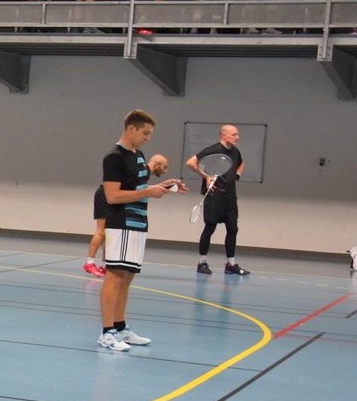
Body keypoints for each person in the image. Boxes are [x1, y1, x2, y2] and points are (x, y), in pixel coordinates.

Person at [98, 110, 186, 352]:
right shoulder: (114, 157)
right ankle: (106, 333)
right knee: (115, 275)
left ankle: (120, 328)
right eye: (145, 133)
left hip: (139, 223)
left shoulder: (139, 156)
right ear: (131, 129)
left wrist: (165, 186)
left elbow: (139, 186)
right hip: (121, 223)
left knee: (127, 278)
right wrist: (149, 192)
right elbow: (112, 196)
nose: (148, 138)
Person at [87, 153, 167, 276]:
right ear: (157, 164)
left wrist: (160, 187)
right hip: (104, 195)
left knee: (108, 233)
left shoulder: (143, 173)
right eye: (164, 167)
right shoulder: (143, 171)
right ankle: (90, 263)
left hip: (112, 197)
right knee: (101, 231)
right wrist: (151, 191)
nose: (165, 171)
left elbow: (135, 188)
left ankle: (105, 265)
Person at [187, 124, 248, 276]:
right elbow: (191, 162)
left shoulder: (235, 152)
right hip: (214, 196)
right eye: (234, 134)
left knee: (233, 229)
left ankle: (230, 265)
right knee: (210, 228)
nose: (237, 137)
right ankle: (202, 262)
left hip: (230, 197)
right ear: (224, 135)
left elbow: (241, 164)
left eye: (237, 134)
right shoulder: (212, 150)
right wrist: (206, 176)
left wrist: (237, 176)